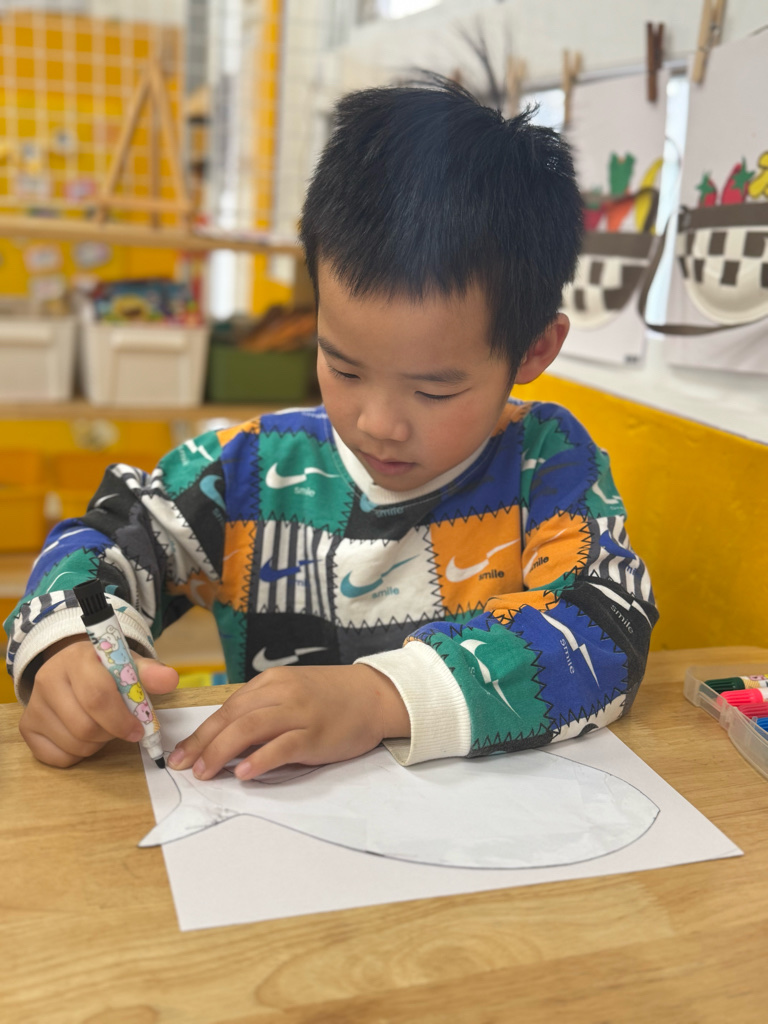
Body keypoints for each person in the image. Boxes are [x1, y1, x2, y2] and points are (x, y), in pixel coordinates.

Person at [5, 78, 658, 781]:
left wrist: (380, 697)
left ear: (533, 350)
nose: (378, 424)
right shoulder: (247, 468)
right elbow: (106, 539)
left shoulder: (546, 464)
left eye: (434, 390)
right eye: (343, 368)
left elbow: (605, 625)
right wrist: (70, 645)